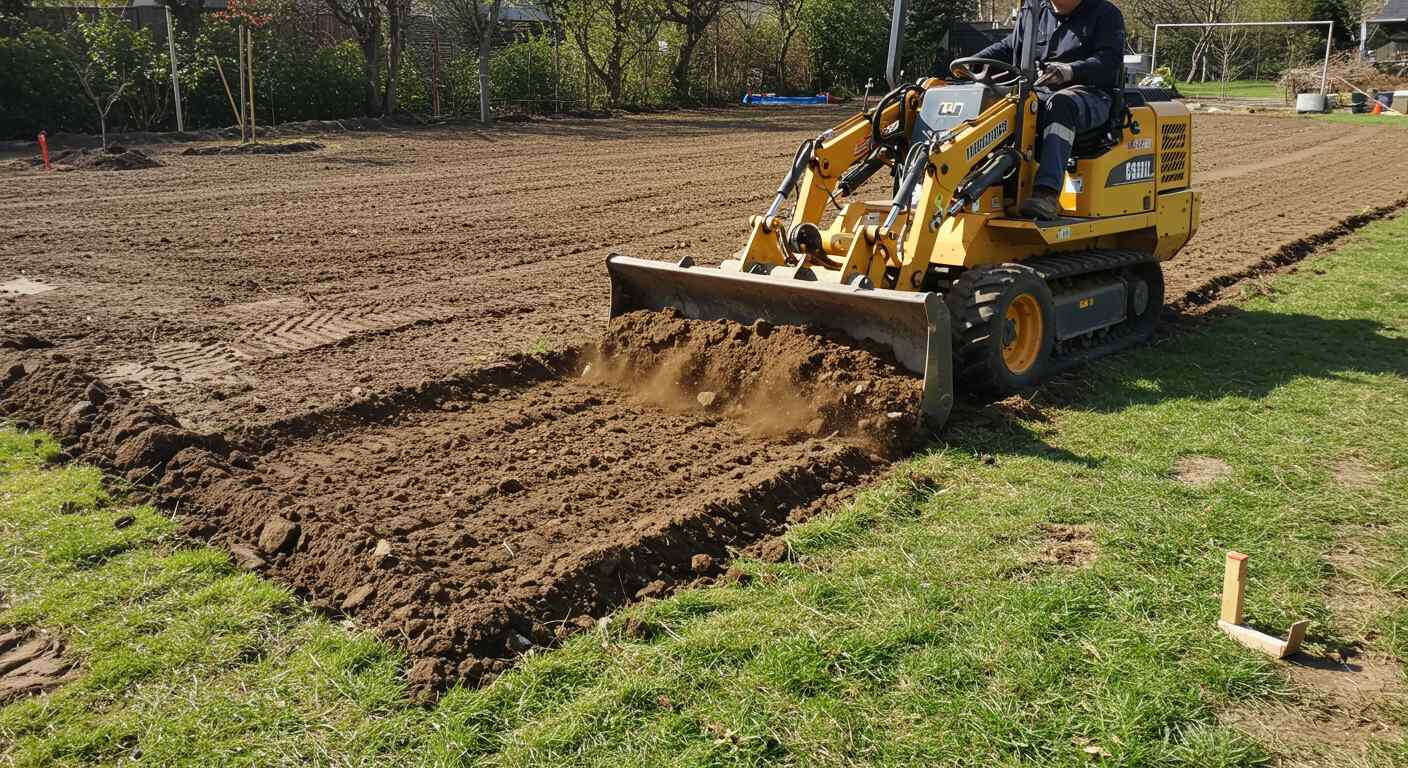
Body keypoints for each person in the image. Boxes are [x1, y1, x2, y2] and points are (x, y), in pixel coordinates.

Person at [973, 0, 1126, 219]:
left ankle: (1047, 194)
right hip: (1039, 91)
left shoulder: (1105, 13)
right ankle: (999, 190)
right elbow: (1011, 46)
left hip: (1090, 94)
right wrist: (974, 63)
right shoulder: (1035, 10)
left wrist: (1071, 71)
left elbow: (1109, 62)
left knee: (1060, 104)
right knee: (999, 106)